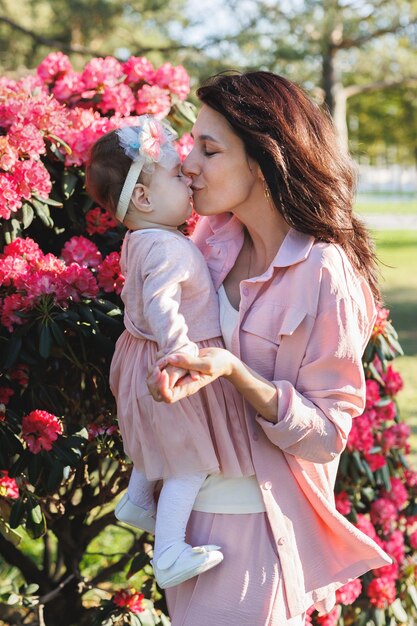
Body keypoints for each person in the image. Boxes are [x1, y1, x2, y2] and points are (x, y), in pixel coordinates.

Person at [147, 72, 392, 626]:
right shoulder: (210, 240)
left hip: (257, 531)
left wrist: (235, 372)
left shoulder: (325, 273)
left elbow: (328, 434)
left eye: (209, 150)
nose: (189, 164)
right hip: (185, 529)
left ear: (261, 161)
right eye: (192, 146)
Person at [85, 116, 255, 590]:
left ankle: (138, 500)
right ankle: (169, 552)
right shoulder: (165, 247)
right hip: (172, 354)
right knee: (189, 460)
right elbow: (161, 303)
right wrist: (179, 347)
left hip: (140, 354)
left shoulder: (141, 240)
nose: (189, 179)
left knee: (164, 440)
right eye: (178, 176)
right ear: (142, 197)